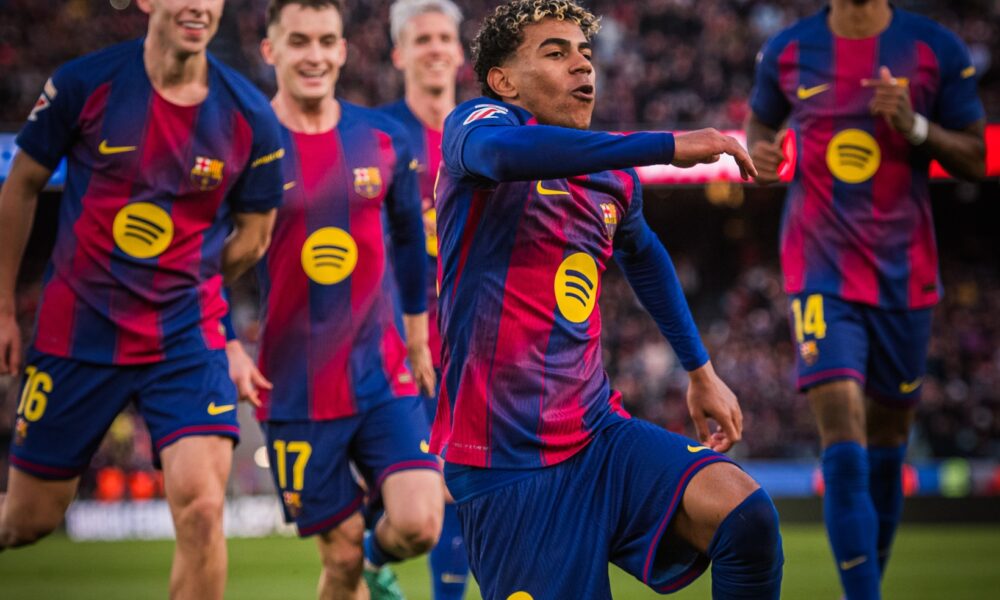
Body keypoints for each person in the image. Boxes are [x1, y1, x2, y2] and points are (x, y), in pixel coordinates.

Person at [428, 1, 784, 598]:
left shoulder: (611, 176)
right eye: (556, 52)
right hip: (505, 462)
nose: (582, 65)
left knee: (745, 518)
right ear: (504, 80)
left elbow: (644, 255)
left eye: (586, 53)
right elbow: (503, 155)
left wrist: (700, 371)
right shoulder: (478, 123)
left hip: (597, 436)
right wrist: (664, 144)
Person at [0, 1, 284, 599]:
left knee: (203, 509)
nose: (198, 6)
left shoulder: (249, 114)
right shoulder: (84, 84)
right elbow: (22, 184)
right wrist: (3, 306)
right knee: (27, 521)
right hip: (79, 332)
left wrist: (195, 282)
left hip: (185, 337)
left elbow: (255, 237)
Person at [746, 1, 985, 598]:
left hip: (904, 274)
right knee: (843, 436)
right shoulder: (788, 50)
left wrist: (916, 127)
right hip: (818, 266)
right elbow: (759, 128)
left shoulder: (934, 49)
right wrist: (763, 154)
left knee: (886, 444)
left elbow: (978, 158)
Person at [226, 1, 445, 598]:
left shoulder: (383, 139)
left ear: (344, 50)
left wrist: (417, 334)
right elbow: (206, 255)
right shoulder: (246, 144)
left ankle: (376, 558)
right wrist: (226, 341)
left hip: (381, 373)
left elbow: (410, 239)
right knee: (340, 557)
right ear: (270, 50)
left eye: (327, 41)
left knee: (421, 520)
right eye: (299, 41)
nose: (315, 55)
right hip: (294, 388)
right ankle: (359, 563)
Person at [378, 1, 469, 598]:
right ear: (398, 54)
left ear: (460, 52)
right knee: (422, 499)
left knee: (462, 486)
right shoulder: (376, 134)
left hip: (472, 340)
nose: (435, 48)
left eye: (443, 37)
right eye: (422, 39)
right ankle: (364, 557)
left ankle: (370, 561)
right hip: (394, 343)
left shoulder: (486, 131)